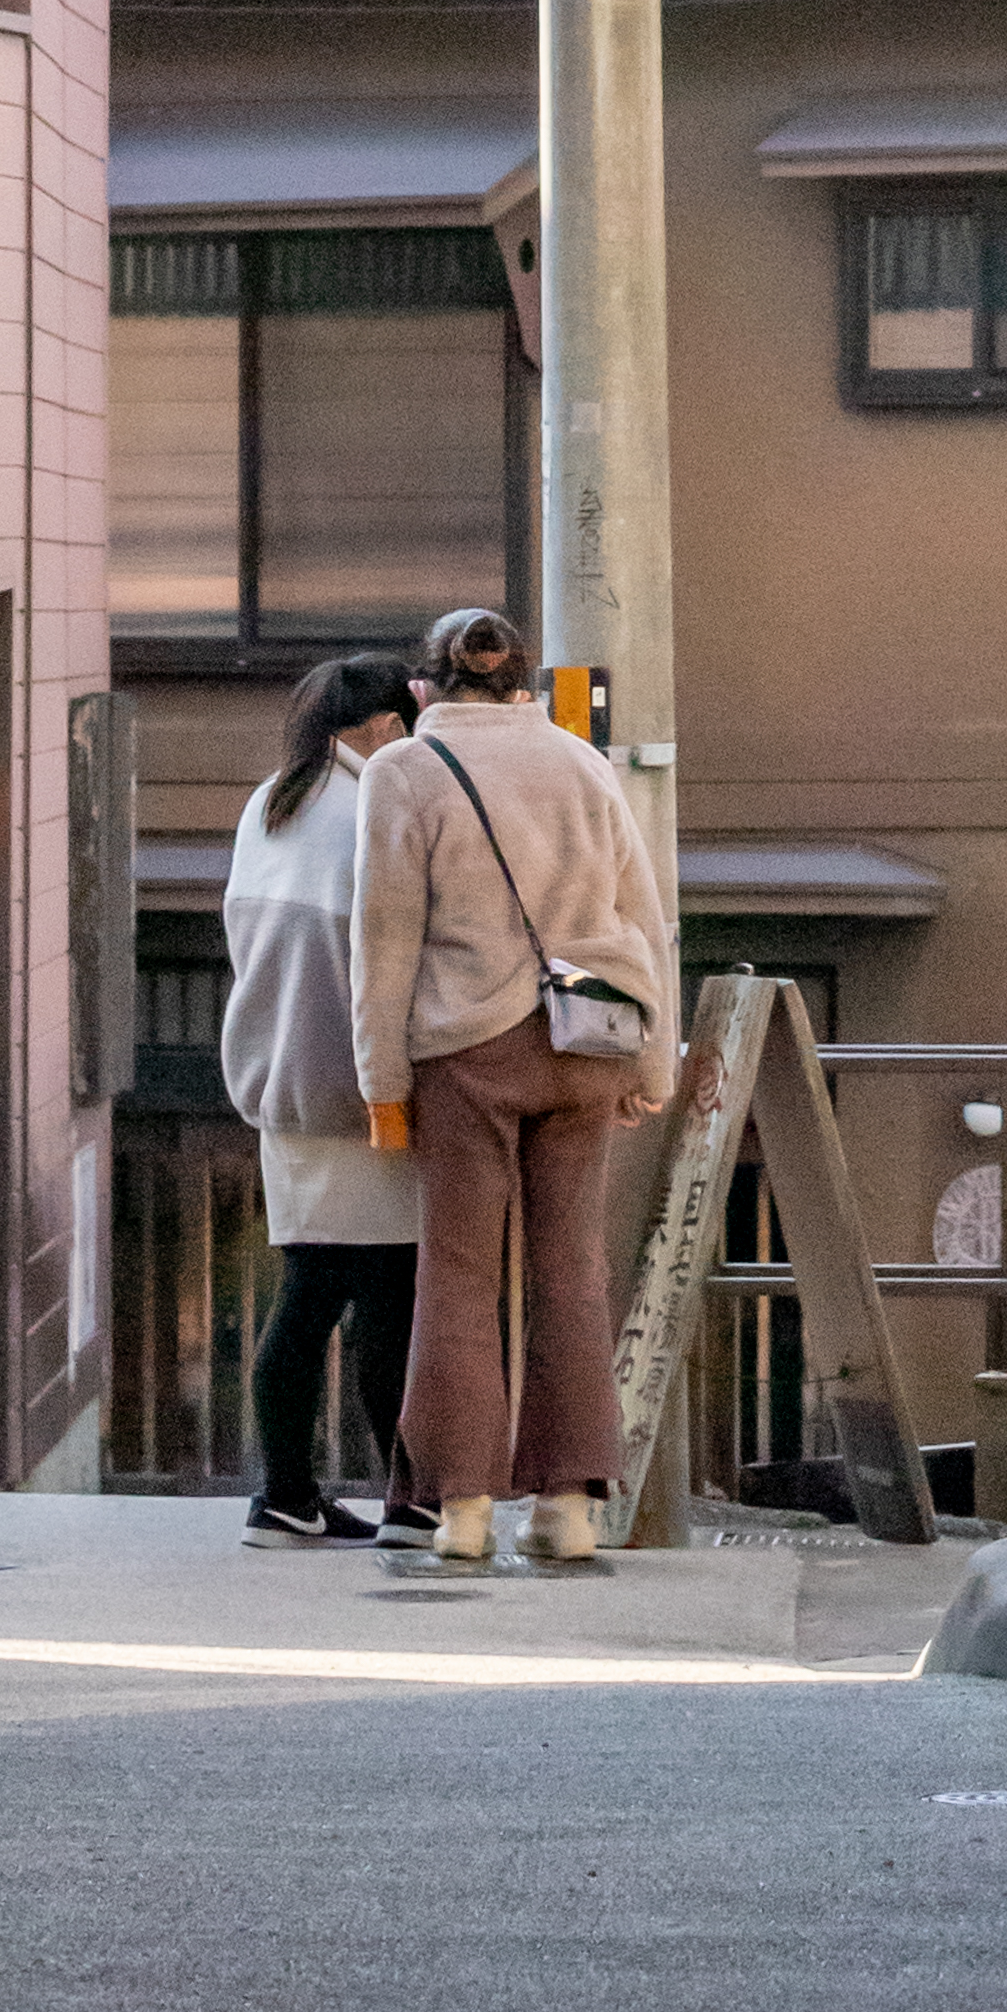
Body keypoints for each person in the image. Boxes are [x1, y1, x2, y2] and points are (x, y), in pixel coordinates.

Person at [352, 604, 679, 1585]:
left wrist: (383, 1082)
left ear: (426, 686)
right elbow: (642, 911)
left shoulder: (403, 770)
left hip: (469, 1044)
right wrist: (655, 1061)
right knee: (570, 1267)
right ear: (522, 681)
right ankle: (570, 1509)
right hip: (593, 1040)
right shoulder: (581, 761)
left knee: (458, 1276)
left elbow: (383, 937)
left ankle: (460, 1512)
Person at [220, 650, 426, 1544]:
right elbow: (389, 960)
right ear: (381, 727)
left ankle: (286, 1493)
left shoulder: (270, 805)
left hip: (278, 1086)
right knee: (391, 1299)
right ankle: (409, 1501)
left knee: (305, 1298)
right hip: (359, 1089)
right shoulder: (370, 808)